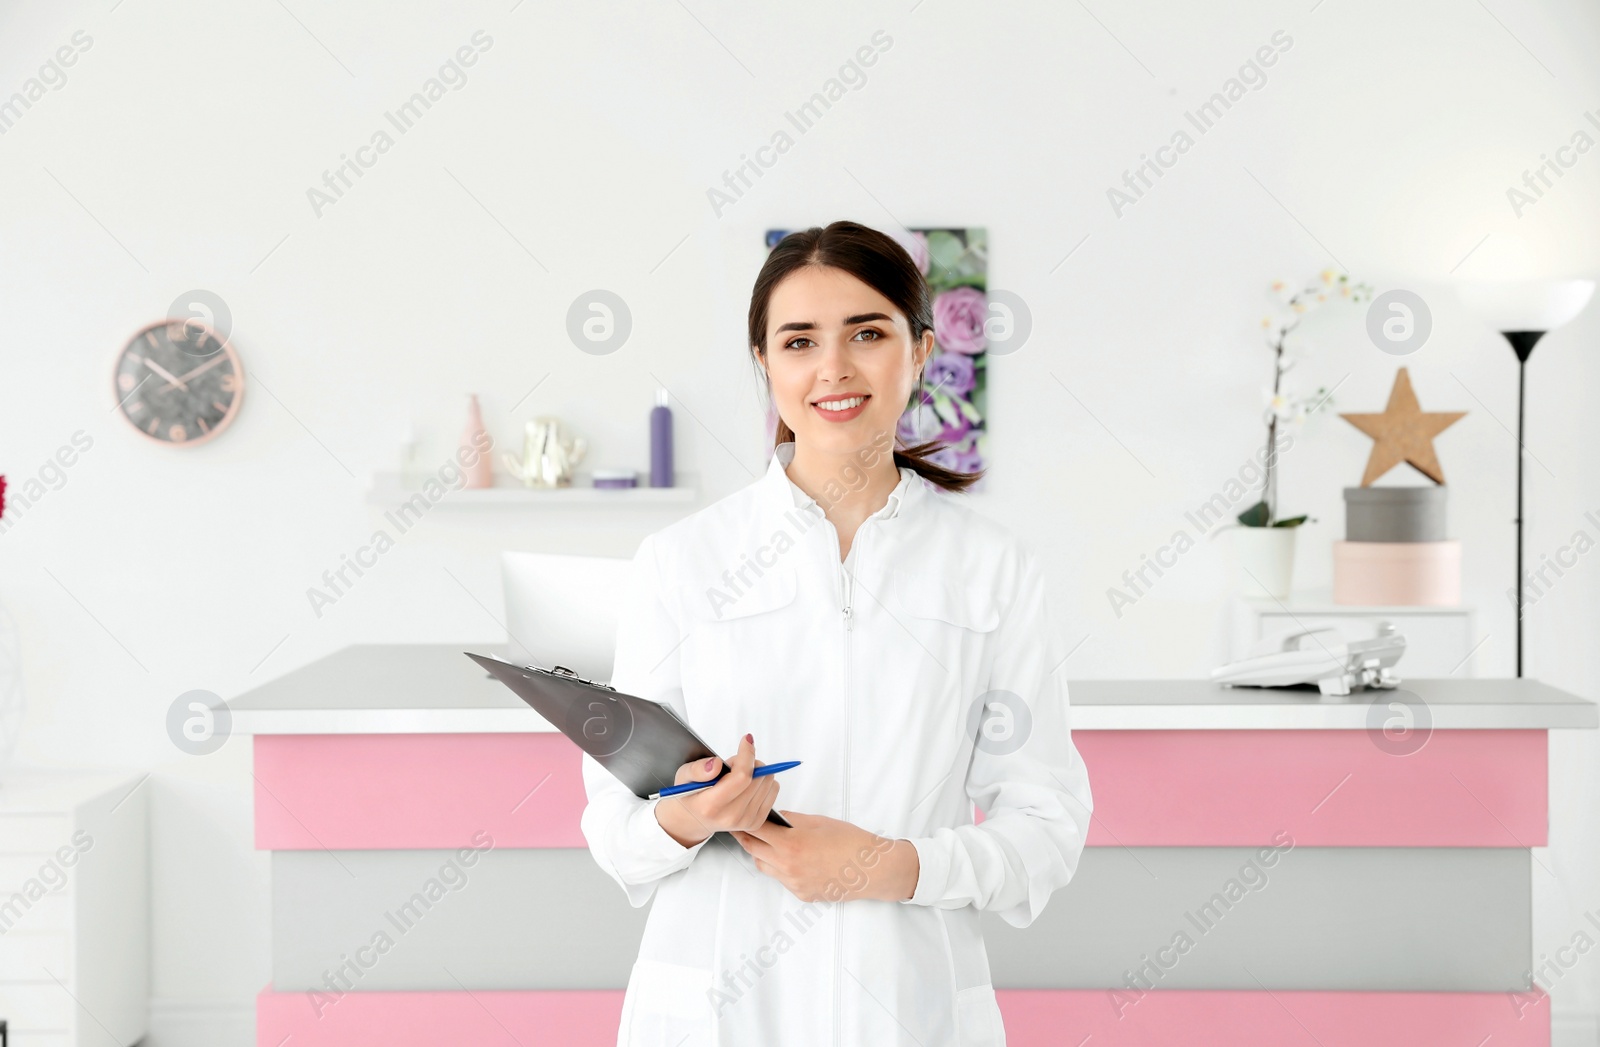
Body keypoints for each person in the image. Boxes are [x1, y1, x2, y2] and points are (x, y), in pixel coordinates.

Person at [579, 220, 1093, 1046]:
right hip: (719, 1010)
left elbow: (1046, 826)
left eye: (867, 332)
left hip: (910, 1009)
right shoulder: (680, 562)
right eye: (799, 340)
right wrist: (690, 817)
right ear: (764, 363)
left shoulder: (993, 569)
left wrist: (890, 865)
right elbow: (613, 828)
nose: (834, 368)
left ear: (920, 351)